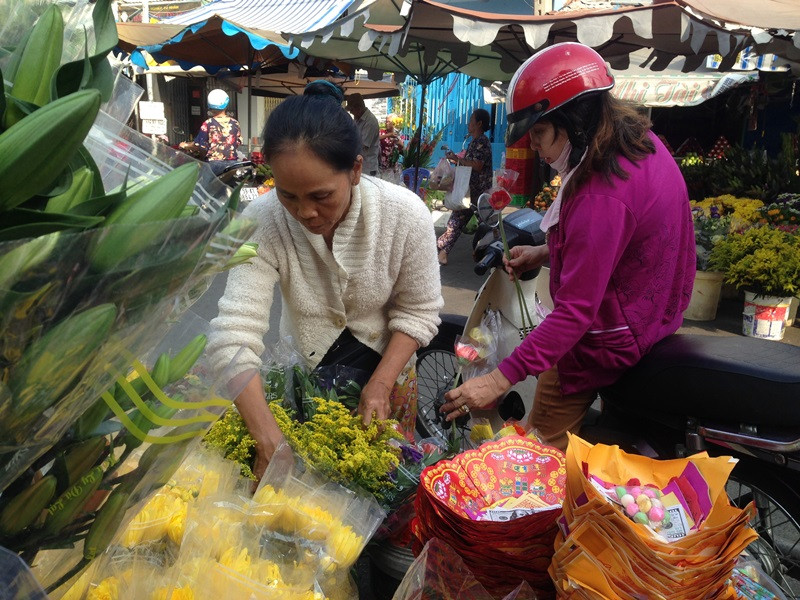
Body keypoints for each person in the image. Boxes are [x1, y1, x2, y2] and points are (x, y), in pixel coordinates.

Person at [440, 42, 695, 451]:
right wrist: (546, 252)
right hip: (652, 313)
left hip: (606, 337)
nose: (535, 147)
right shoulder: (637, 143)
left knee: (539, 457)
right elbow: (617, 244)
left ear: (575, 121)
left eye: (539, 133)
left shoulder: (601, 194)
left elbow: (576, 312)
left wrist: (498, 378)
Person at [207, 85, 443, 480]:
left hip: (389, 373)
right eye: (288, 195)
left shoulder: (404, 214)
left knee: (384, 493)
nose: (306, 213)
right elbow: (233, 337)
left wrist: (381, 384)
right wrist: (267, 437)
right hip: (305, 372)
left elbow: (419, 311)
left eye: (321, 195)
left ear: (355, 169)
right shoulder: (263, 221)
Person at [437, 108, 493, 265]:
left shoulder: (482, 141)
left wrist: (458, 159)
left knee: (484, 223)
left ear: (479, 123)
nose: (468, 124)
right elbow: (470, 163)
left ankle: (489, 252)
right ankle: (443, 250)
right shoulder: (475, 141)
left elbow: (478, 165)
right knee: (459, 221)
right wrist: (456, 159)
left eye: (471, 120)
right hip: (470, 190)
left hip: (478, 192)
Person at [194, 89, 243, 175]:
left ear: (210, 106)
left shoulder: (208, 124)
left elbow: (200, 146)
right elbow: (237, 143)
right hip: (233, 165)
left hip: (214, 166)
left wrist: (185, 145)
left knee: (203, 187)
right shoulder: (235, 123)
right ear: (226, 104)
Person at [345, 93, 380, 176]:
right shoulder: (358, 118)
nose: (351, 112)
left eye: (352, 110)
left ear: (359, 108)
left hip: (368, 168)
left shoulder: (370, 121)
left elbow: (363, 145)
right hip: (361, 165)